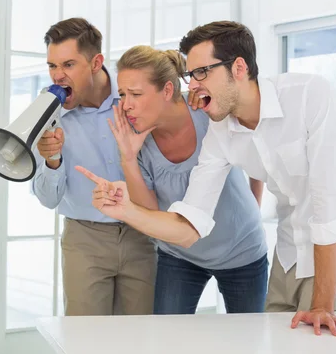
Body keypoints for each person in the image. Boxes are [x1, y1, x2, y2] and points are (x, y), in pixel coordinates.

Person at [77, 20, 336, 336]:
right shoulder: (220, 132)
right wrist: (124, 210)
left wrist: (323, 304)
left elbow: (329, 206)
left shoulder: (310, 95)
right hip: (288, 249)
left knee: (319, 346)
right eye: (190, 75)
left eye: (202, 72)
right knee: (273, 348)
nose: (193, 84)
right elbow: (189, 226)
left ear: (239, 68)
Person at [110, 44, 268, 314]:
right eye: (123, 94)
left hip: (242, 251)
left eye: (135, 94)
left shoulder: (208, 112)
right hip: (179, 256)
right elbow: (149, 214)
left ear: (168, 90)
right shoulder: (136, 142)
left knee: (247, 346)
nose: (126, 105)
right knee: (168, 345)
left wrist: (254, 204)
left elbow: (253, 148)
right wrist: (128, 157)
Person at [32, 17, 156, 316]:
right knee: (84, 342)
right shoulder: (47, 110)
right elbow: (48, 199)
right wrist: (52, 160)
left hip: (143, 232)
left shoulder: (133, 95)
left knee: (140, 341)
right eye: (52, 66)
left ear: (96, 62)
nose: (58, 76)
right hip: (84, 240)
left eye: (68, 65)